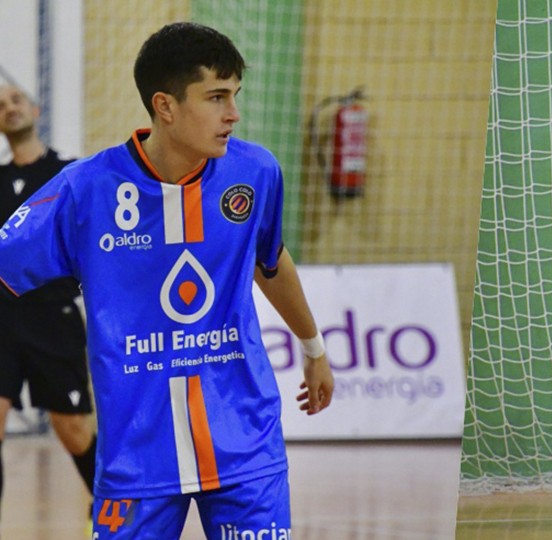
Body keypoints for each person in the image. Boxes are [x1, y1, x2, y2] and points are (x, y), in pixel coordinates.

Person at [0, 22, 335, 538]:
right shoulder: (86, 189)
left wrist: (313, 346)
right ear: (166, 105)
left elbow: (270, 259)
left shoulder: (257, 172)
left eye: (235, 96)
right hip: (137, 460)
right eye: (217, 97)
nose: (233, 114)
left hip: (245, 441)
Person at [0, 84, 97, 520]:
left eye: (15, 100)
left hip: (52, 315)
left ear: (36, 110)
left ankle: (113, 505)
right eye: (0, 106)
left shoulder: (68, 175)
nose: (9, 108)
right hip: (1, 319)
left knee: (74, 429)